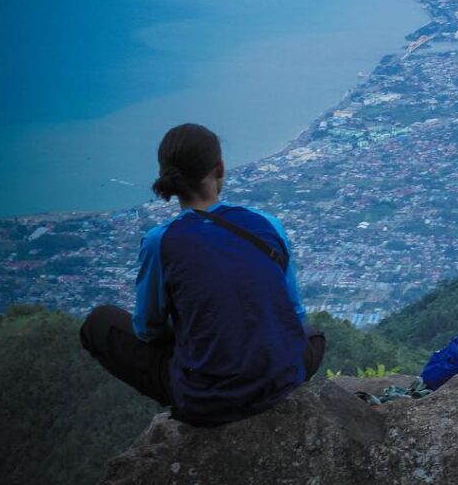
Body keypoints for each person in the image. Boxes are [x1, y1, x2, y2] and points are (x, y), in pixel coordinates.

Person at [80, 123, 323, 426]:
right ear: (220, 168)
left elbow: (147, 330)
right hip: (280, 381)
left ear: (168, 176)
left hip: (207, 401)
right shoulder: (267, 224)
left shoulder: (161, 241)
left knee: (99, 323)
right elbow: (294, 312)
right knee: (313, 334)